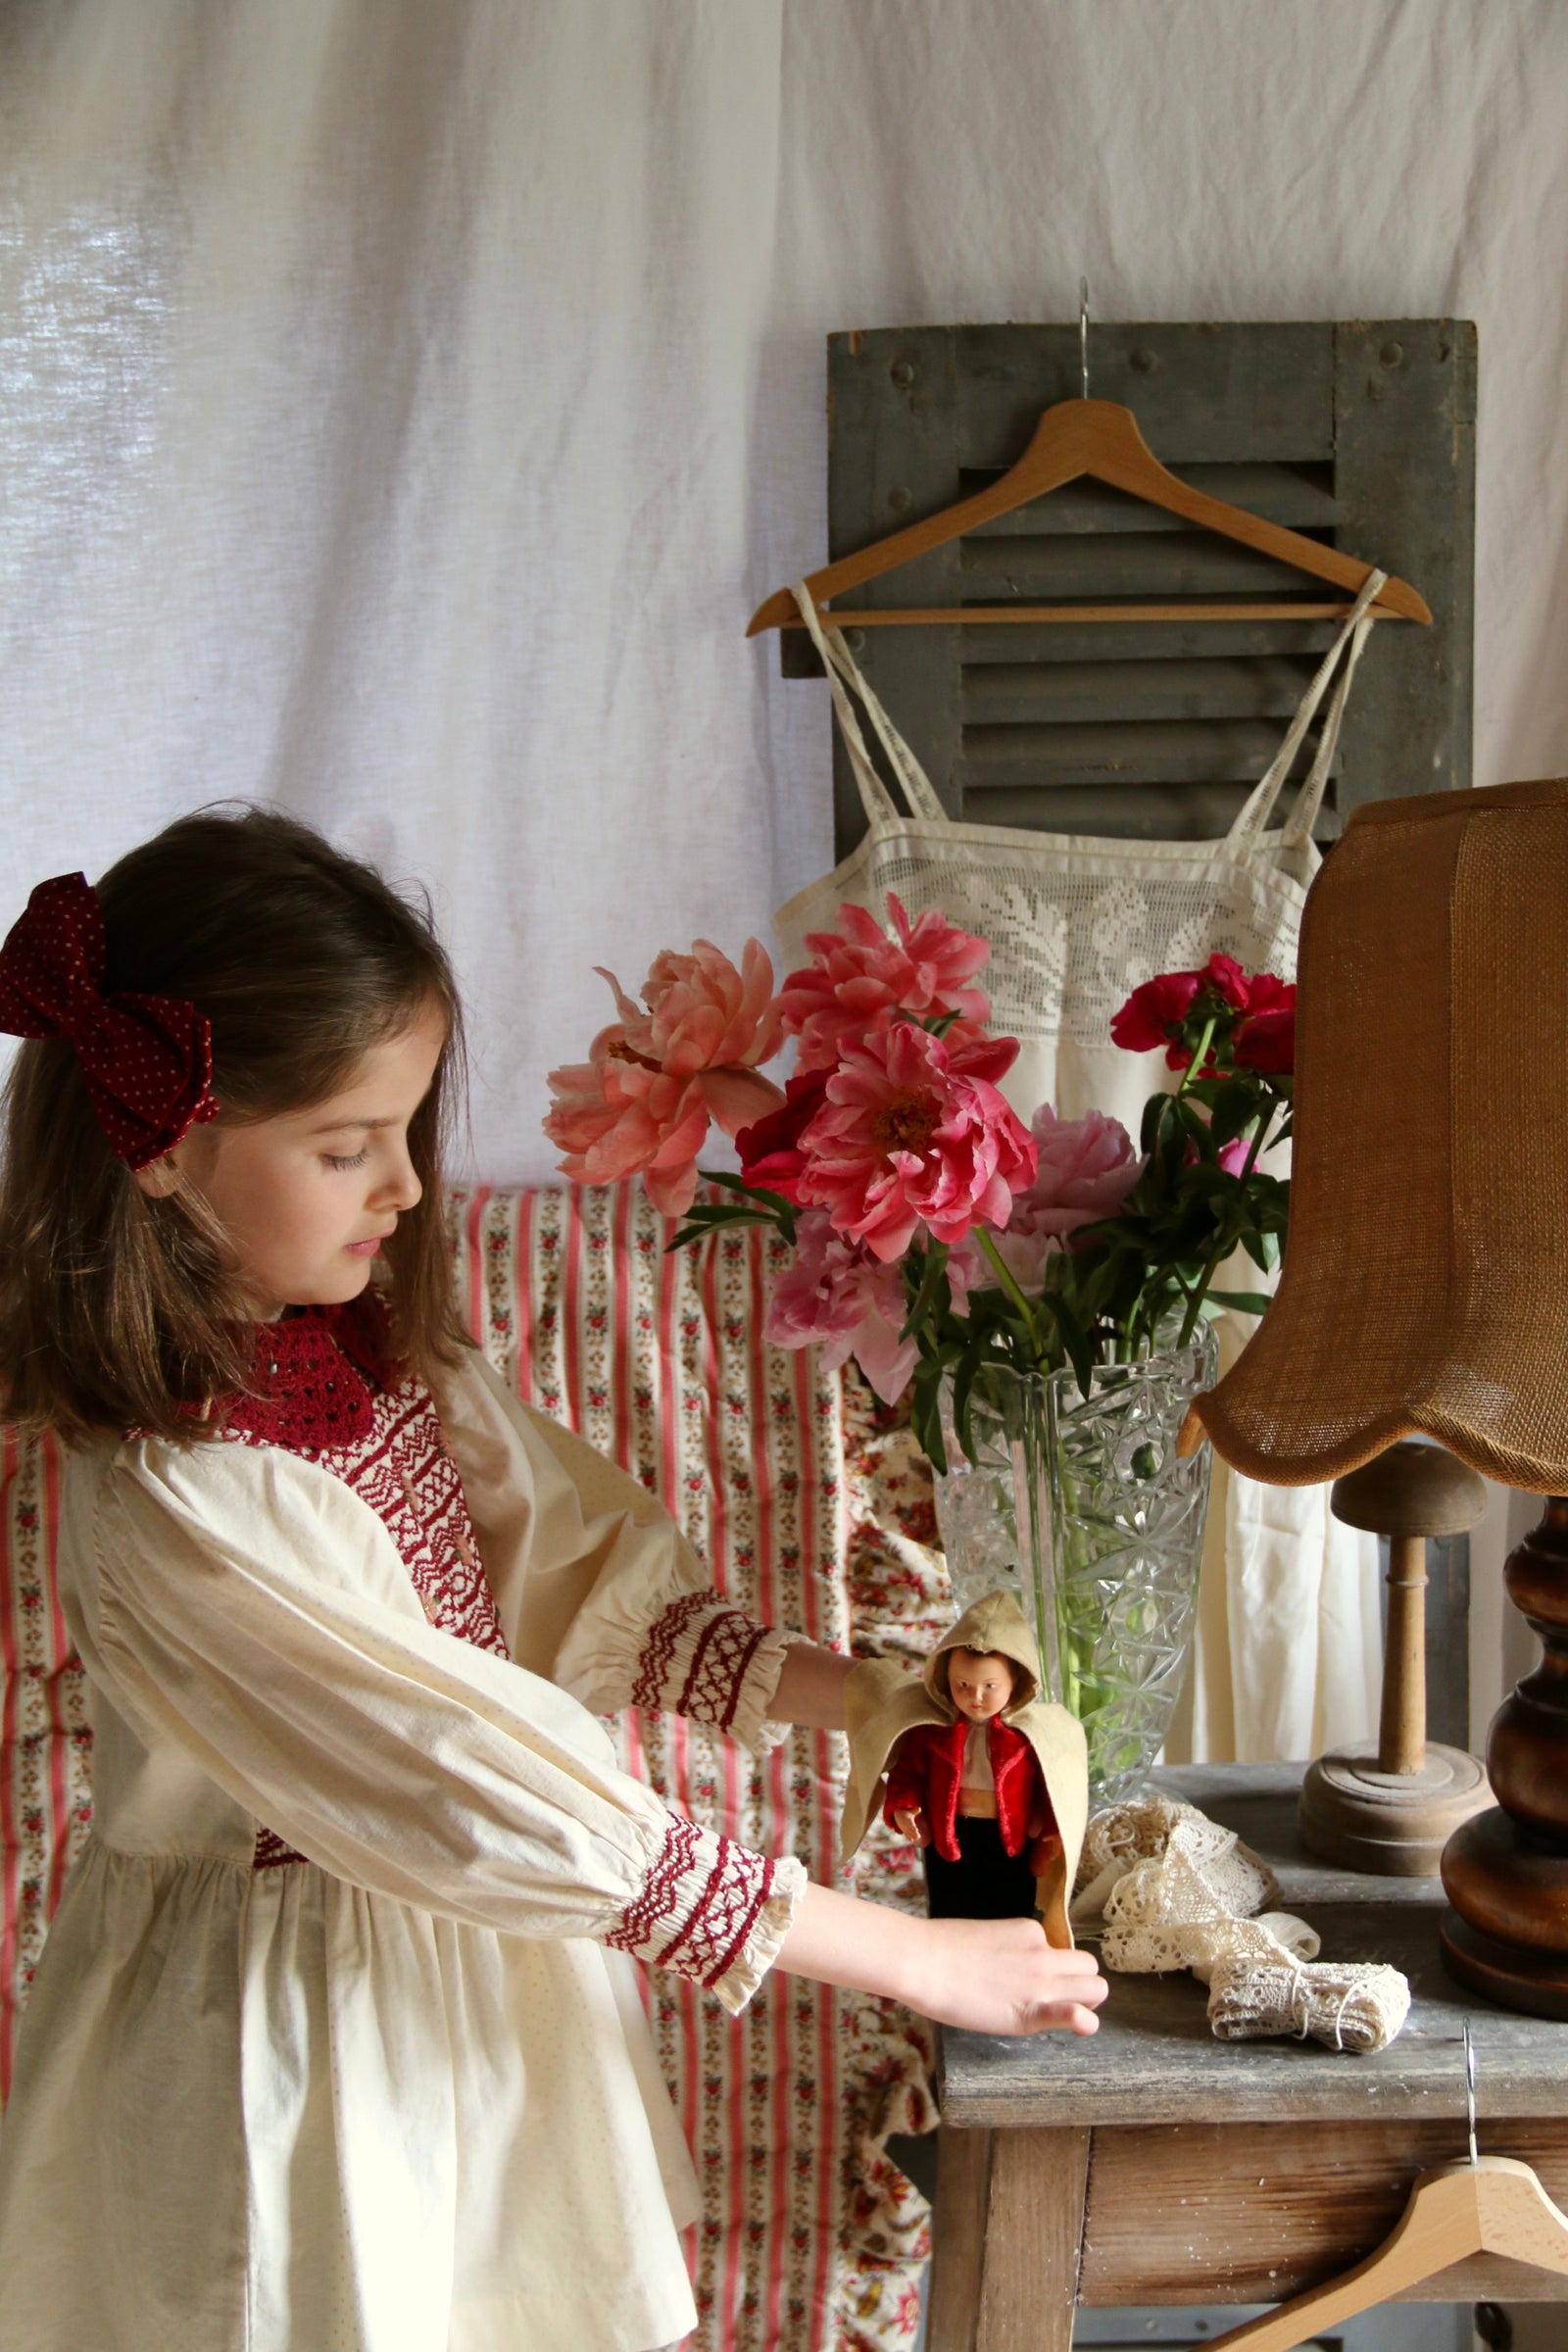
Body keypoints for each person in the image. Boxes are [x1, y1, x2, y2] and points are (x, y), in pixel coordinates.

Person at [0, 809, 1104, 2352]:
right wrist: (903, 1952)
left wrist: (861, 1692)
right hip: (298, 2053)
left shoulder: (369, 1359)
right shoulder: (187, 1505)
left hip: (459, 1983)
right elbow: (461, 1783)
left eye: (404, 1136)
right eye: (343, 1148)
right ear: (172, 1148)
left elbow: (568, 1581)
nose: (399, 1188)